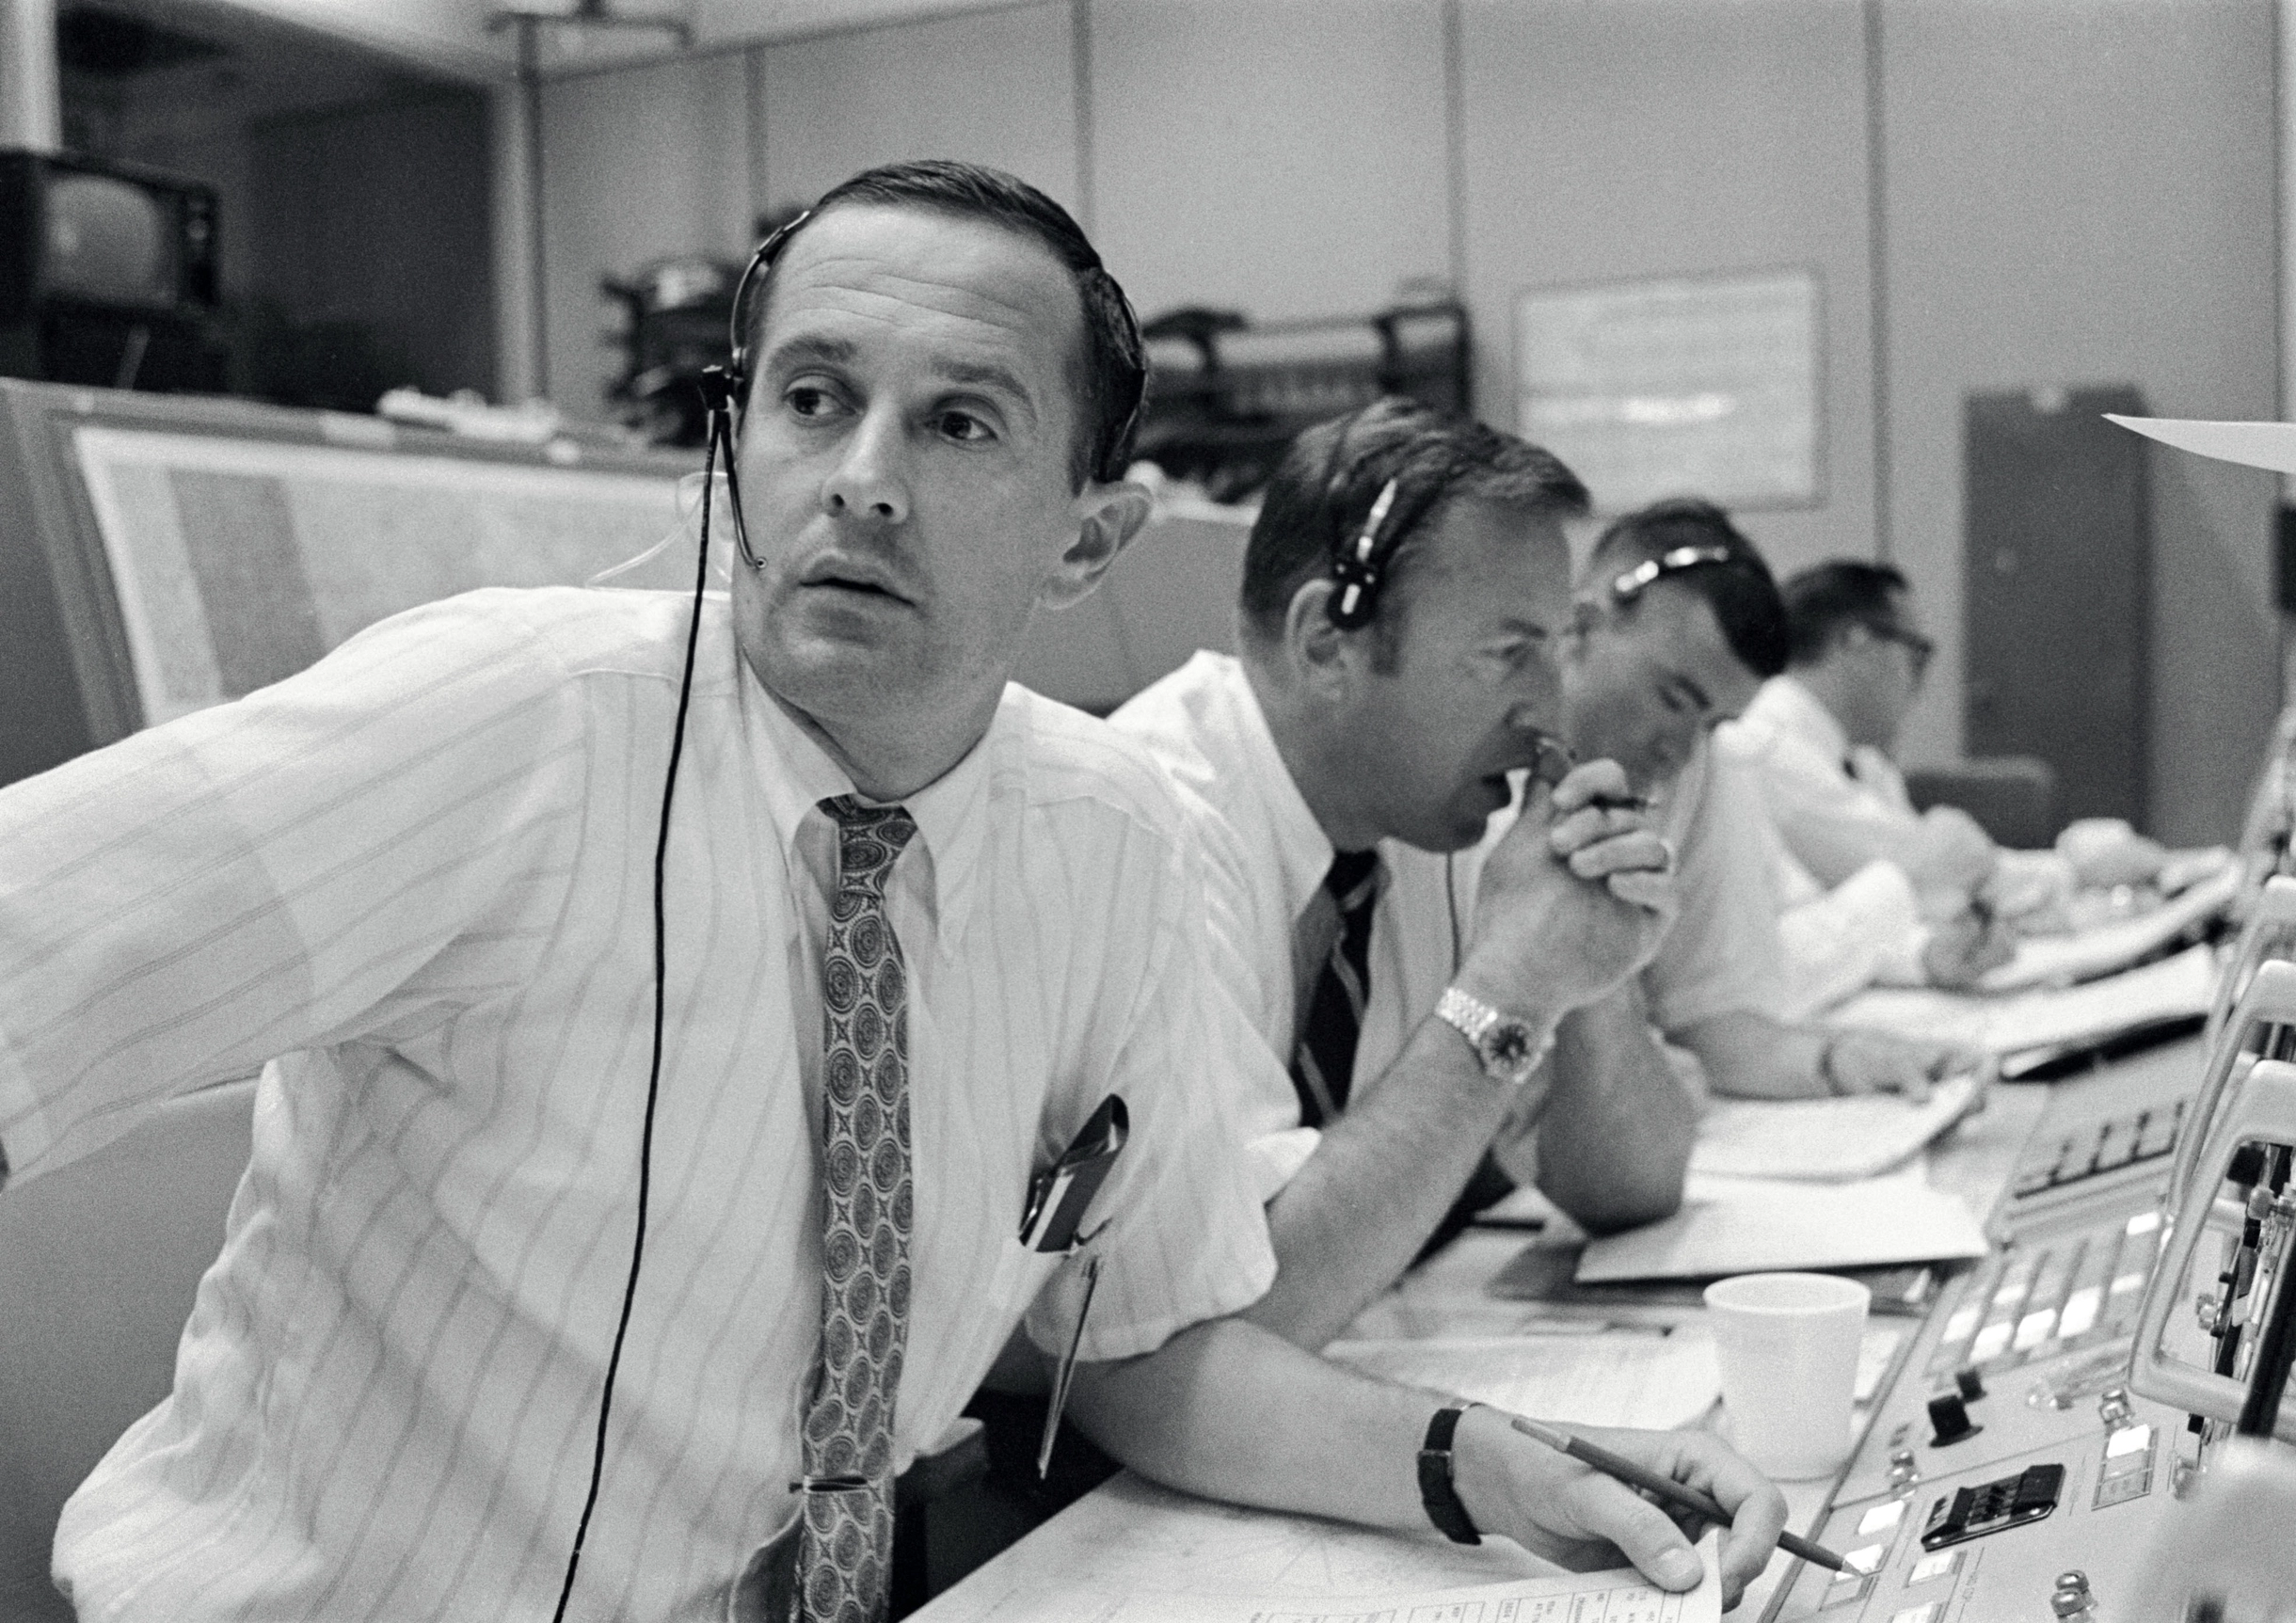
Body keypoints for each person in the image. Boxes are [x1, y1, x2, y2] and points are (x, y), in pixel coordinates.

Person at [0, 162, 1782, 1621]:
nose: (859, 479)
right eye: (813, 399)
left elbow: (1144, 1349)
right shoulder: (514, 726)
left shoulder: (1100, 844)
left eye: (958, 426)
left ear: (1089, 537)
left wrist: (1480, 1468)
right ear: (737, 438)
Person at [1112, 398, 1698, 1354]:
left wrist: (1587, 972)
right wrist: (1507, 987)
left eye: (1555, 654)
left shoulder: (1438, 809)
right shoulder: (1148, 831)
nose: (1547, 713)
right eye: (1506, 655)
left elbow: (1632, 1190)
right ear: (1325, 644)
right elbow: (1237, 1319)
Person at [1555, 500, 1978, 1102]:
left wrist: (1841, 1059)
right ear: (1581, 625)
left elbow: (1713, 1020)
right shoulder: (1472, 781)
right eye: (1673, 699)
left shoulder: (1707, 764)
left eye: (1712, 721)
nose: (1680, 750)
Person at [1730, 560, 2167, 938]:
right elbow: (1924, 878)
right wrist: (2077, 870)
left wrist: (2069, 869)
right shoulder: (1769, 744)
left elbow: (1953, 874)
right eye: (1916, 654)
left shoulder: (1861, 756)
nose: (1919, 683)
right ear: (1857, 643)